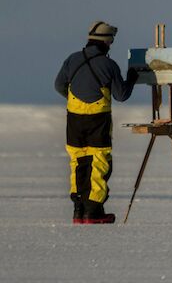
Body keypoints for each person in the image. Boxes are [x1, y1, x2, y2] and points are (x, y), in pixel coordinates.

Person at [55, 21, 138, 224]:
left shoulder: (72, 59)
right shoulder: (109, 65)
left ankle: (78, 210)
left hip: (73, 119)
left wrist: (76, 99)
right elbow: (122, 95)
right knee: (99, 161)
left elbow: (59, 85)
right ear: (107, 42)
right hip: (98, 120)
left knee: (78, 160)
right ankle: (93, 212)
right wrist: (132, 79)